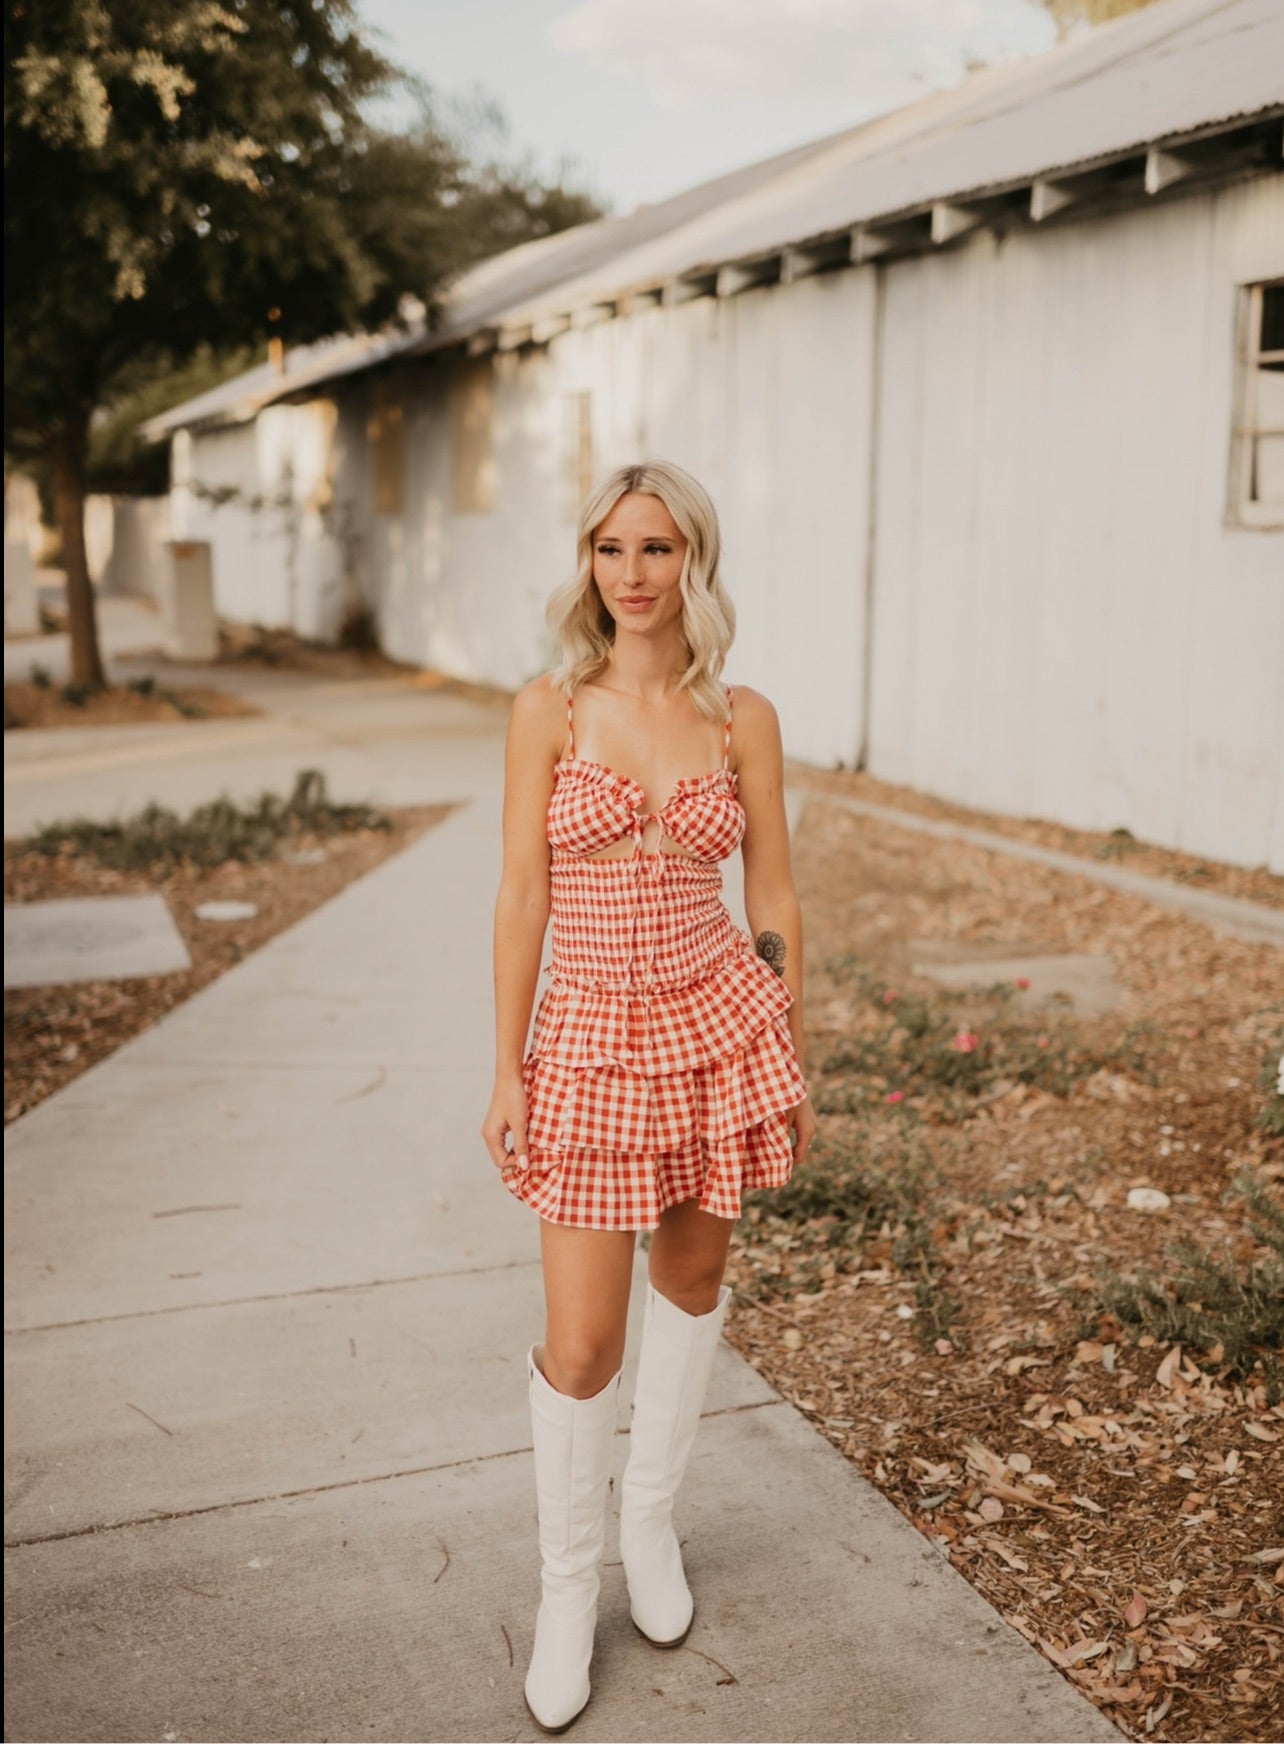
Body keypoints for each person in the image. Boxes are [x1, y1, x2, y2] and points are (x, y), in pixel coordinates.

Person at [481, 458, 816, 1733]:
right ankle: (569, 1590)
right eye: (613, 549)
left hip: (718, 1030)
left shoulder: (743, 717)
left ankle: (650, 1523)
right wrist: (506, 1064)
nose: (633, 573)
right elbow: (522, 895)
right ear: (589, 563)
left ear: (695, 563)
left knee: (688, 1286)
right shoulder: (549, 709)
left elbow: (773, 897)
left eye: (658, 550)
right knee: (582, 1344)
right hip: (587, 1043)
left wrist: (787, 1052)